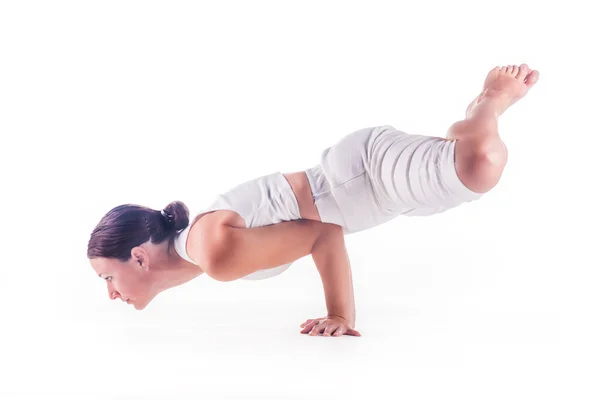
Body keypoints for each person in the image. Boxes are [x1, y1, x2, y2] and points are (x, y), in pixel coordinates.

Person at [88, 64, 540, 337]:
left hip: (363, 176)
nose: (109, 293)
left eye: (108, 277)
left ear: (140, 257)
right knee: (468, 166)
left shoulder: (214, 253)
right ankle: (460, 136)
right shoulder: (204, 253)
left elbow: (324, 234)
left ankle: (488, 103)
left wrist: (339, 314)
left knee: (481, 161)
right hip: (373, 196)